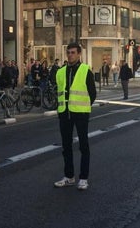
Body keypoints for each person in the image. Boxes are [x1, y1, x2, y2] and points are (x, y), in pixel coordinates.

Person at [54, 42, 97, 190]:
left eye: (73, 52)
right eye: (68, 52)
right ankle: (69, 176)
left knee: (83, 145)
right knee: (66, 146)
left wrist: (84, 107)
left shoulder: (85, 70)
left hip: (80, 113)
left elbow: (92, 93)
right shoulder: (60, 72)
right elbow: (58, 92)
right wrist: (60, 109)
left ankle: (83, 178)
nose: (70, 55)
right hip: (64, 113)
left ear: (79, 54)